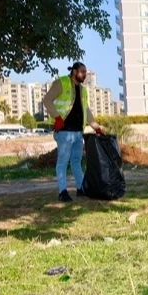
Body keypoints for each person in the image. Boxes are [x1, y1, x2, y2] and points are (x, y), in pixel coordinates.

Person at [42, 62, 104, 202]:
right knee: (63, 161)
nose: (85, 75)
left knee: (76, 161)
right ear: (75, 71)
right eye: (83, 72)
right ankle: (62, 192)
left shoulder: (83, 90)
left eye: (86, 72)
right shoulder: (61, 83)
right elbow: (47, 100)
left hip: (77, 132)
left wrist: (96, 127)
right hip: (64, 131)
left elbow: (86, 110)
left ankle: (80, 189)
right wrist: (57, 118)